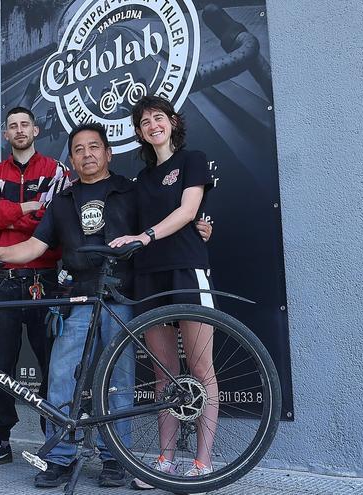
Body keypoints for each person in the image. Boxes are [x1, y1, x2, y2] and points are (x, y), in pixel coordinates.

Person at [0, 123, 213, 489]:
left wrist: (201, 225)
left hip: (122, 299)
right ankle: (58, 456)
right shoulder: (62, 202)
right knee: (60, 374)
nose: (87, 153)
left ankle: (114, 458)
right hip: (79, 298)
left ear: (108, 153)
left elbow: (168, 219)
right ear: (71, 160)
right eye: (78, 149)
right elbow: (35, 247)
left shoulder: (132, 192)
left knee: (119, 381)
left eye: (94, 147)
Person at [110, 95, 219, 487]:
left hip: (186, 270)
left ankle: (203, 462)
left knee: (202, 369)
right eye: (144, 122)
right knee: (165, 376)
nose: (153, 125)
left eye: (159, 117)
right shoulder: (139, 180)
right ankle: (165, 460)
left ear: (172, 121)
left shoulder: (193, 159)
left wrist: (146, 235)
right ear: (138, 132)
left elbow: (190, 212)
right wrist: (132, 240)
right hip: (148, 276)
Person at [0, 107, 71, 469]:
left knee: (53, 367)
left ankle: (55, 445)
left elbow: (56, 222)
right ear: (5, 134)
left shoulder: (56, 172)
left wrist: (7, 212)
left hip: (44, 282)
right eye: (12, 126)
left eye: (25, 124)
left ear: (36, 129)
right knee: (2, 366)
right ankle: (1, 442)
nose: (19, 130)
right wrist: (27, 207)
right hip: (5, 284)